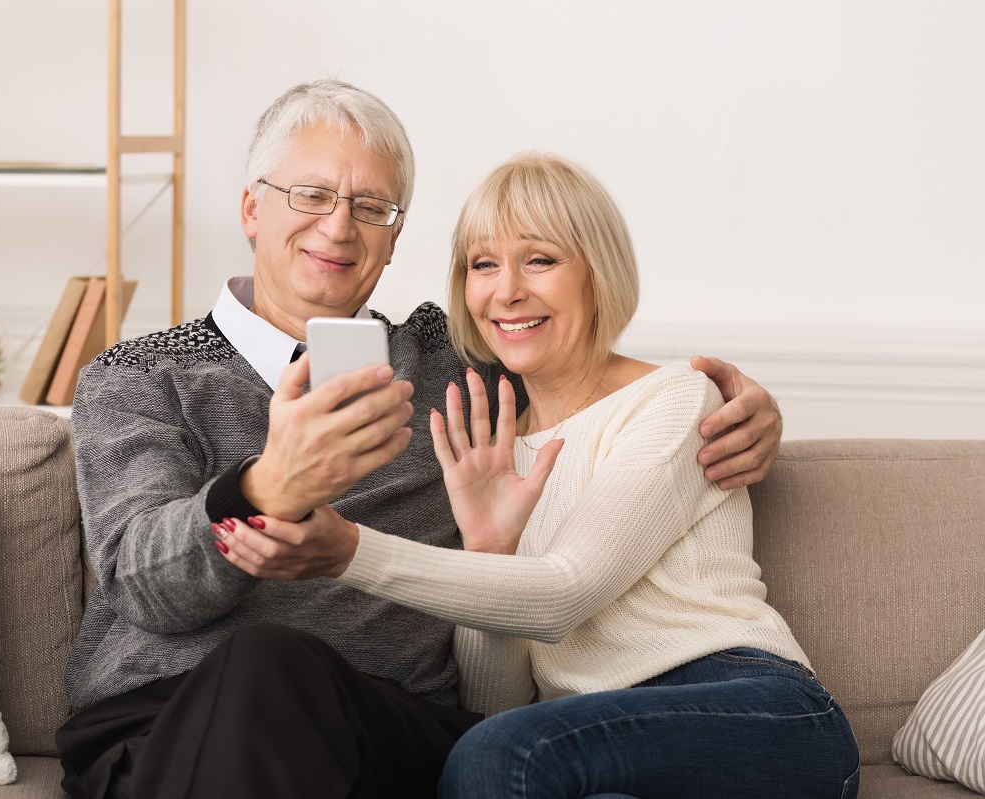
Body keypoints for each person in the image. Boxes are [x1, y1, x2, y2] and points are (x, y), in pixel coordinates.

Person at [57, 79, 786, 799]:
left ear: (394, 238)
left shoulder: (452, 360)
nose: (339, 227)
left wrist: (742, 406)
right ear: (251, 207)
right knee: (259, 666)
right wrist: (265, 487)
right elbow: (142, 582)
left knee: (273, 664)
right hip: (159, 722)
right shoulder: (139, 375)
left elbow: (586, 367)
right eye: (310, 195)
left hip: (390, 728)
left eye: (369, 207)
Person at [216, 152, 860, 798]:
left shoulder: (676, 400)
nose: (507, 291)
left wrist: (345, 551)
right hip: (589, 745)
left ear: (596, 275)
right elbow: (497, 702)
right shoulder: (494, 450)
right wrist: (490, 551)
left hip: (753, 709)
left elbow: (562, 594)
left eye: (541, 260)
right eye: (483, 264)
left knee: (499, 754)